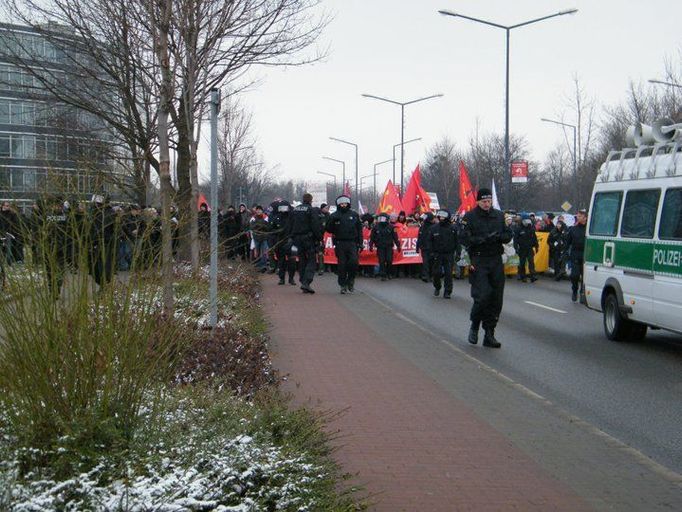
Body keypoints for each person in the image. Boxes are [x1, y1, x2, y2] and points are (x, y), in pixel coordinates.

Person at [460, 188, 513, 348]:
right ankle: (475, 325)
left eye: (489, 201)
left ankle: (489, 333)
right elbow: (463, 237)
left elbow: (508, 234)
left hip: (495, 259)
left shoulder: (498, 215)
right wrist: (480, 239)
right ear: (478, 201)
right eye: (484, 201)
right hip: (479, 259)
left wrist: (499, 237)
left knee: (496, 299)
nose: (487, 204)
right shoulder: (470, 217)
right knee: (482, 296)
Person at [326, 195, 362, 294]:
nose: (343, 205)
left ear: (348, 203)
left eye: (345, 203)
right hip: (340, 242)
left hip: (352, 242)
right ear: (338, 204)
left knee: (353, 262)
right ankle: (343, 285)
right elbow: (329, 229)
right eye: (341, 203)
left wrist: (360, 243)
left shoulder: (354, 214)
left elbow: (359, 230)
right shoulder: (334, 215)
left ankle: (351, 280)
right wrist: (332, 221)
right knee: (342, 265)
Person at [288, 192, 322, 294]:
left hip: (296, 239)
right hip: (308, 238)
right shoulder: (311, 210)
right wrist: (319, 238)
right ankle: (306, 282)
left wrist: (291, 236)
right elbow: (315, 225)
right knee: (311, 260)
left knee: (302, 259)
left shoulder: (295, 210)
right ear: (311, 200)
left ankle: (303, 281)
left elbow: (290, 224)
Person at [429, 209, 460, 299]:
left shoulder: (453, 228)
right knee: (436, 273)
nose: (442, 217)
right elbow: (430, 241)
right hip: (437, 254)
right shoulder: (434, 228)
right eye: (440, 216)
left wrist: (458, 253)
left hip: (449, 254)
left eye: (444, 216)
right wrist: (431, 252)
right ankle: (437, 287)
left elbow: (457, 242)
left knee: (448, 274)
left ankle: (447, 291)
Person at [90, 194, 117, 288]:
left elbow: (114, 230)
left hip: (105, 244)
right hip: (94, 244)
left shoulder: (110, 213)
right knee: (95, 268)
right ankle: (103, 284)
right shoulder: (94, 213)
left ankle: (104, 285)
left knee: (104, 267)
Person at [271, 200, 296, 285]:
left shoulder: (293, 217)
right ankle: (282, 278)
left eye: (284, 208)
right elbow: (271, 230)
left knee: (292, 261)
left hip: (291, 242)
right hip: (280, 242)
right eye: (281, 208)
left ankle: (291, 278)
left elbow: (296, 229)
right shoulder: (277, 218)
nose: (283, 210)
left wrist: (292, 238)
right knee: (281, 262)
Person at [369, 212, 399, 281]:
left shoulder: (391, 227)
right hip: (380, 247)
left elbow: (395, 237)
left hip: (389, 247)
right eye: (380, 218)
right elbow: (372, 237)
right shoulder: (376, 227)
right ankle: (383, 274)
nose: (381, 220)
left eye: (382, 218)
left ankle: (389, 273)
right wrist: (370, 245)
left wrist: (398, 246)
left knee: (389, 260)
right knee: (381, 261)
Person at [565, 209, 587, 302]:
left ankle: (583, 292)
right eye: (577, 216)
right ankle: (574, 290)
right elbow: (568, 242)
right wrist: (565, 252)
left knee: (585, 276)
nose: (578, 217)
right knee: (574, 275)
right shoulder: (573, 229)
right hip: (575, 254)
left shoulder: (589, 229)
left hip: (586, 255)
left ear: (585, 217)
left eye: (580, 216)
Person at [513, 215, 539, 283]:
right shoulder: (518, 229)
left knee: (531, 262)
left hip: (530, 248)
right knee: (522, 263)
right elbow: (515, 240)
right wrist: (516, 248)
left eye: (529, 221)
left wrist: (536, 246)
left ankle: (533, 276)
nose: (528, 222)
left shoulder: (531, 229)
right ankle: (523, 276)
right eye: (526, 221)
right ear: (523, 221)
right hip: (522, 249)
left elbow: (535, 239)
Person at [416, 212, 435, 282]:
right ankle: (426, 276)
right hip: (424, 247)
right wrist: (417, 247)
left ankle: (431, 275)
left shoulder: (434, 227)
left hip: (432, 248)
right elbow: (419, 237)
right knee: (425, 262)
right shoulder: (422, 227)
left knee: (432, 262)